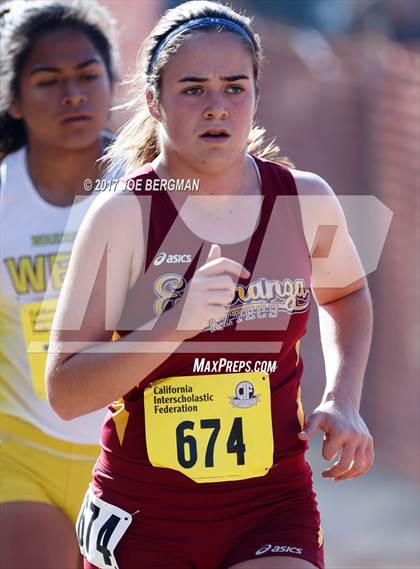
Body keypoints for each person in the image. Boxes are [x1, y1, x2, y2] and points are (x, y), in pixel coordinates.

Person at [46, 1, 374, 568]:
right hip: (146, 511)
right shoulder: (125, 216)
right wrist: (172, 325)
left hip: (270, 502)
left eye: (235, 87)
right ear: (155, 100)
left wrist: (342, 400)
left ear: (255, 96)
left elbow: (345, 295)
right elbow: (66, 390)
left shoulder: (303, 200)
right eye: (193, 89)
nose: (217, 107)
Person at [0, 1, 119, 567]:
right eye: (48, 80)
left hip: (138, 458)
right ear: (14, 100)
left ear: (113, 83)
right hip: (18, 454)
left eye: (88, 75)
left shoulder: (155, 188)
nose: (72, 94)